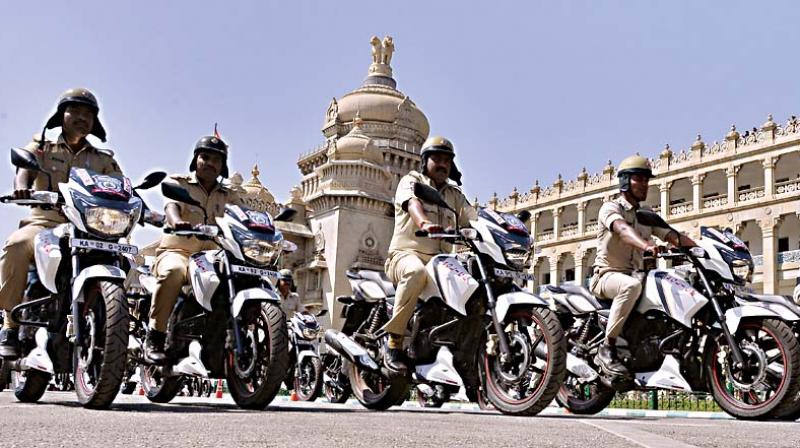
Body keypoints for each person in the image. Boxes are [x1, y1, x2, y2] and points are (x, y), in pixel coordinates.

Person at [0, 88, 122, 358]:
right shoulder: (42, 148)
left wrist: (143, 209)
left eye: (88, 113)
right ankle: (9, 324)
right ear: (61, 115)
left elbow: (122, 187)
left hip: (91, 227)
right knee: (17, 244)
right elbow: (24, 173)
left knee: (124, 258)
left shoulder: (104, 159)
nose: (82, 117)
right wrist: (22, 189)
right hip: (46, 222)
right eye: (75, 111)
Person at [589, 155, 695, 377]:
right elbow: (622, 230)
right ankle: (607, 347)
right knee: (630, 286)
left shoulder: (645, 214)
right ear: (626, 181)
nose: (645, 184)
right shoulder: (610, 208)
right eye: (640, 179)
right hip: (607, 276)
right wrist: (645, 245)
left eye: (647, 180)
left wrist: (701, 250)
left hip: (638, 278)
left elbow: (671, 235)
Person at [382, 135, 477, 372]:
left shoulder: (454, 196)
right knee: (416, 272)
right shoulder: (411, 181)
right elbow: (412, 203)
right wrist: (424, 223)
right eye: (437, 158)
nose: (442, 163)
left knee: (471, 289)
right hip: (404, 255)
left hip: (442, 263)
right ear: (425, 161)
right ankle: (394, 342)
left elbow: (474, 219)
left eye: (447, 159)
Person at [144, 135, 240, 363]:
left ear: (223, 166)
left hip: (215, 257)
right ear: (195, 159)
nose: (209, 163)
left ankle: (223, 343)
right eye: (204, 157)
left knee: (236, 281)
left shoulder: (230, 196)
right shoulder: (181, 184)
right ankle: (155, 336)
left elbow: (242, 216)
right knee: (173, 273)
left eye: (216, 160)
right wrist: (176, 221)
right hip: (179, 252)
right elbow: (171, 207)